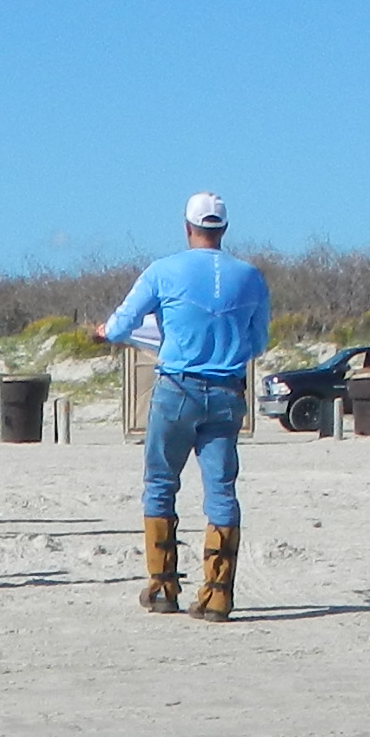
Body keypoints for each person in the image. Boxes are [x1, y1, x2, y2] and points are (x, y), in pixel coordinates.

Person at [98, 190, 270, 618]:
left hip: (178, 388)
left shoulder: (163, 270)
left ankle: (162, 587)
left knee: (160, 484)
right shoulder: (250, 276)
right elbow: (259, 340)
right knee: (222, 490)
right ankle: (218, 594)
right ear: (224, 229)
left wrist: (107, 331)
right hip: (227, 391)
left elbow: (122, 324)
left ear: (187, 227)